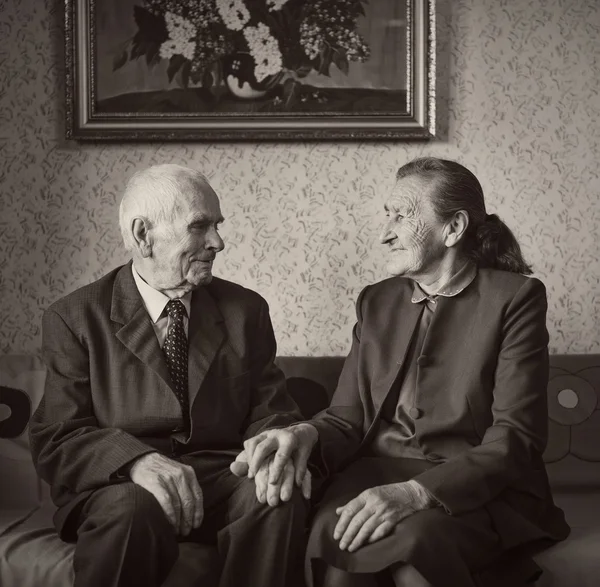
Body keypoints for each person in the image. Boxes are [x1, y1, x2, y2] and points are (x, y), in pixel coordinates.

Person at [234, 157, 570, 587]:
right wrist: (306, 433)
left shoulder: (516, 298)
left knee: (417, 552)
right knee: (338, 551)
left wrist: (416, 493)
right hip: (373, 475)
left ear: (453, 228)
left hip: (471, 487)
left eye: (402, 215)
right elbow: (346, 419)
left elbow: (515, 436)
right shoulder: (375, 301)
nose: (384, 233)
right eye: (386, 215)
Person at [29, 164, 310, 587]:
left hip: (220, 477)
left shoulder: (245, 310)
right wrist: (136, 460)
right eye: (200, 226)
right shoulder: (74, 318)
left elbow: (270, 410)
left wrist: (273, 445)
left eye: (216, 226)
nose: (218, 242)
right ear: (144, 235)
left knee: (274, 495)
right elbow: (58, 434)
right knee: (131, 509)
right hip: (120, 486)